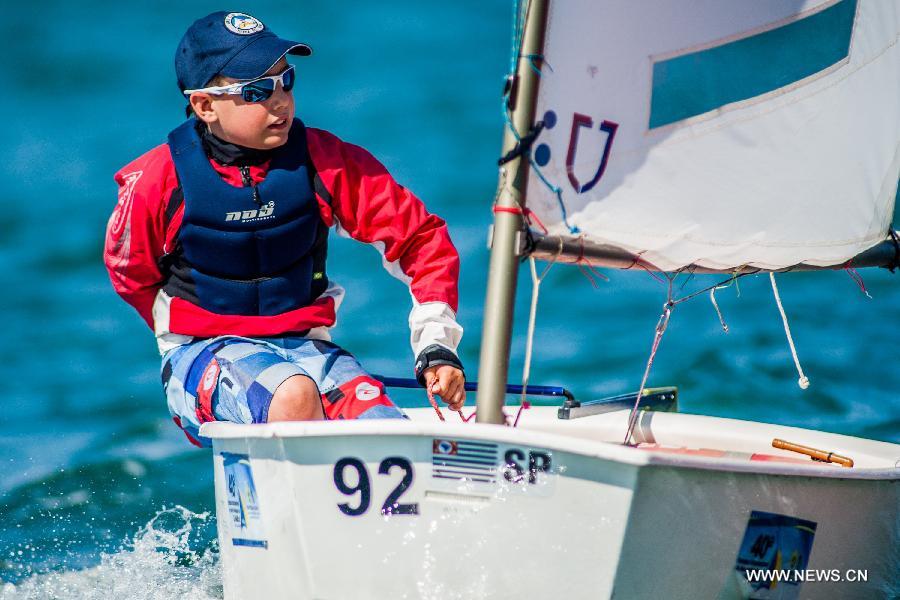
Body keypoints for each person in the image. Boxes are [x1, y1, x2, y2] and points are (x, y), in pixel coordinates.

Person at [104, 11, 465, 446]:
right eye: (256, 90)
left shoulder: (327, 161)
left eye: (285, 81)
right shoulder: (158, 180)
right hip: (200, 355)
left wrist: (436, 346)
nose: (279, 102)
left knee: (389, 435)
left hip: (309, 348)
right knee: (293, 394)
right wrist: (179, 338)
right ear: (204, 106)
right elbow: (129, 274)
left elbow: (422, 241)